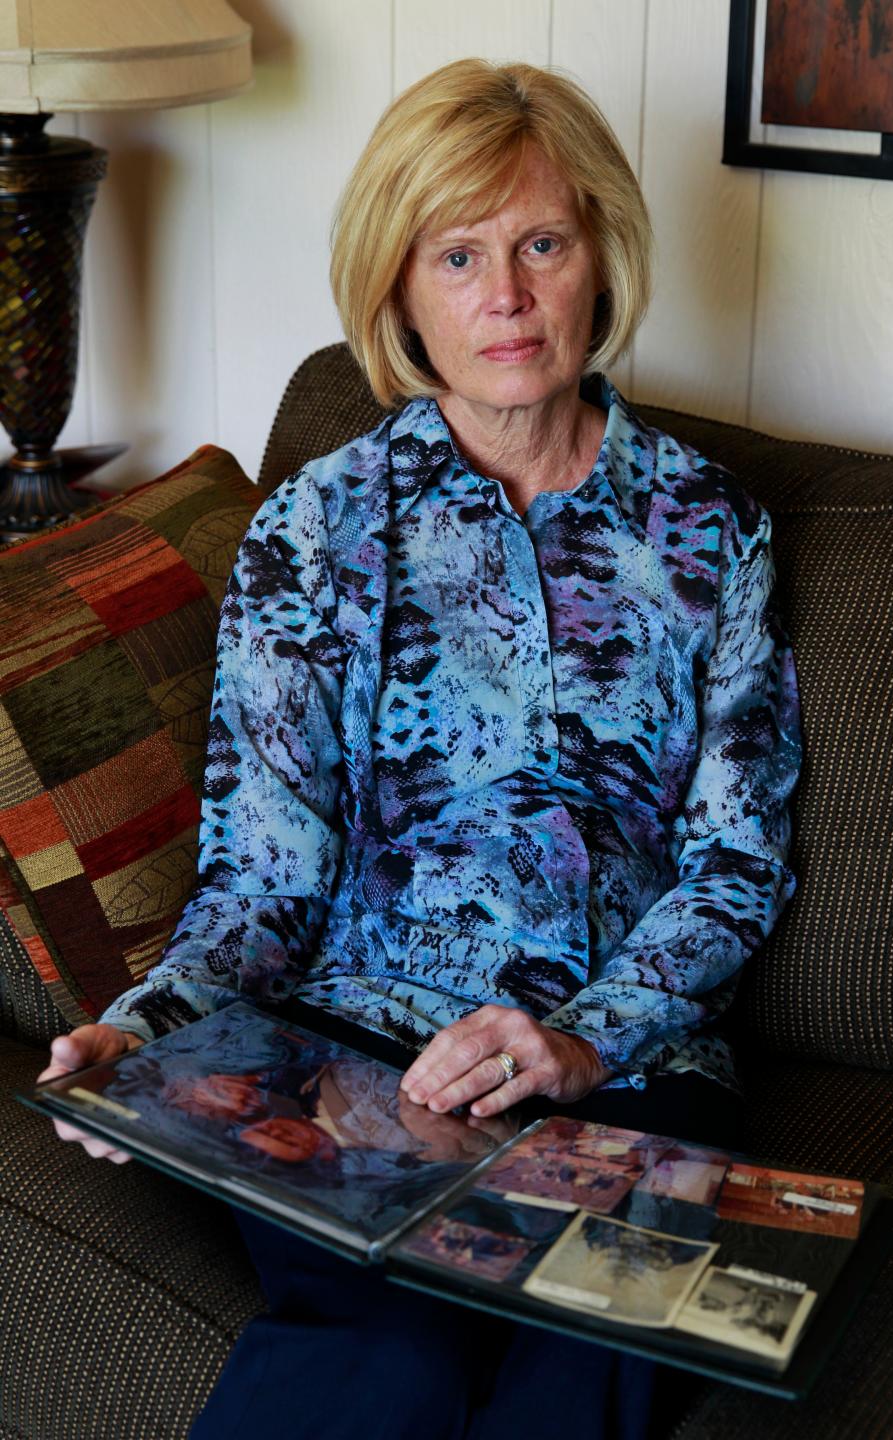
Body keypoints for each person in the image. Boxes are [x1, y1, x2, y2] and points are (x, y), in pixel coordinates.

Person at [38, 57, 801, 1439]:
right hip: (359, 1067)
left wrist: (583, 1038)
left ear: (600, 256)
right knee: (383, 1372)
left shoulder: (711, 530)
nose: (505, 295)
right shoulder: (318, 530)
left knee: (577, 1378)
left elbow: (736, 862)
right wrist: (137, 1039)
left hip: (632, 1077)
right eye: (458, 254)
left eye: (541, 243)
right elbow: (263, 877)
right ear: (399, 292)